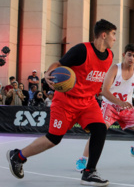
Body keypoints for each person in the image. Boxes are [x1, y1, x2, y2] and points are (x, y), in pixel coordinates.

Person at [6, 19, 117, 186]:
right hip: (66, 101)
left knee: (100, 129)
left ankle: (89, 172)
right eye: (113, 34)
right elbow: (59, 64)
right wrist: (48, 73)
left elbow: (92, 78)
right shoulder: (81, 50)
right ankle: (18, 156)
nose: (115, 38)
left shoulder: (109, 56)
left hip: (88, 102)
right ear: (103, 35)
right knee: (53, 139)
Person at [75, 43, 134, 171]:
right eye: (129, 55)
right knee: (99, 131)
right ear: (124, 55)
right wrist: (119, 102)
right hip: (110, 105)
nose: (131, 58)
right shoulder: (115, 69)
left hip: (126, 108)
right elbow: (105, 90)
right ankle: (83, 159)